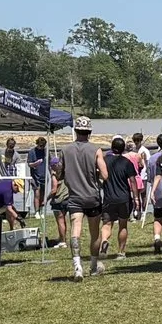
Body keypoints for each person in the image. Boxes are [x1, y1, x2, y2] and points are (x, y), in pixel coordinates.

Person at [55, 120, 108, 280]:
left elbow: (59, 175)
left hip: (74, 197)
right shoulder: (96, 150)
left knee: (75, 230)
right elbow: (105, 175)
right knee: (94, 233)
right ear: (89, 132)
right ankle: (93, 265)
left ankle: (77, 267)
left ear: (76, 131)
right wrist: (95, 174)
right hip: (92, 197)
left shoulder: (65, 150)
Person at [104, 136, 138, 258]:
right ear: (123, 149)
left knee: (107, 224)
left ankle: (104, 240)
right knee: (123, 225)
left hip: (108, 197)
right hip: (124, 198)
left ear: (111, 147)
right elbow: (133, 181)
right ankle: (121, 252)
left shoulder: (105, 161)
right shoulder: (127, 162)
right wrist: (136, 198)